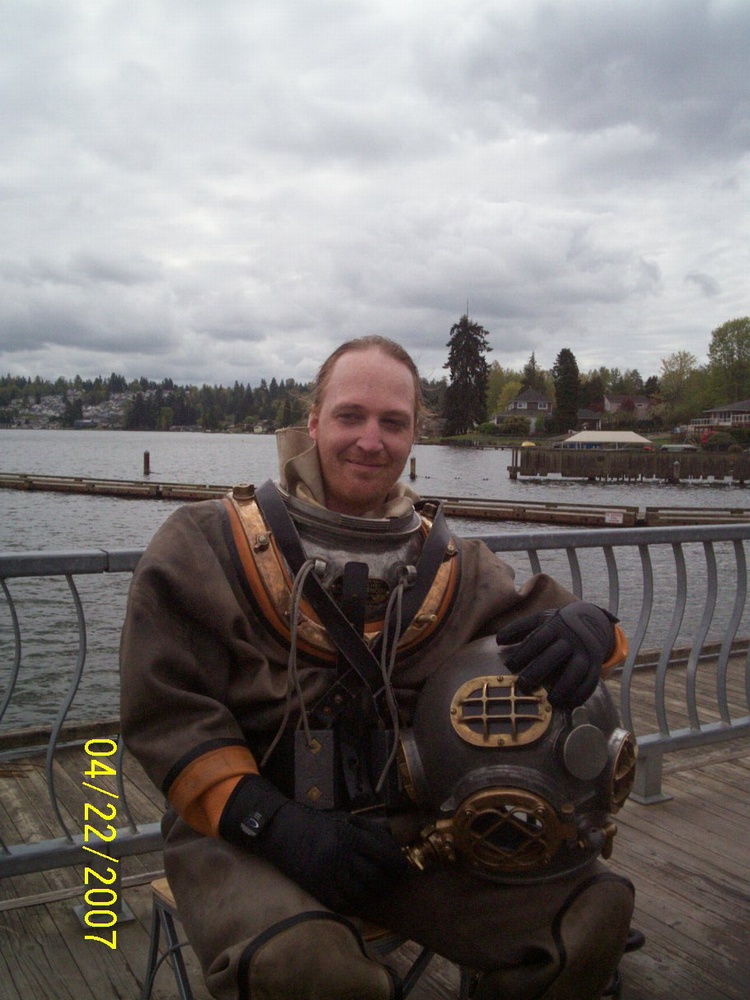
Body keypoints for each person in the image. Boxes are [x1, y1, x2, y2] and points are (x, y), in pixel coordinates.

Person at [120, 336, 635, 1000]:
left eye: (393, 422)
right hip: (243, 832)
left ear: (415, 434)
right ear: (312, 422)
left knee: (588, 919)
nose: (371, 440)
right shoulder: (203, 545)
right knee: (306, 970)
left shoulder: (455, 566)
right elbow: (167, 716)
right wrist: (274, 824)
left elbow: (578, 628)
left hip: (407, 834)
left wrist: (592, 629)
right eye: (350, 416)